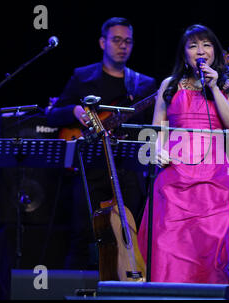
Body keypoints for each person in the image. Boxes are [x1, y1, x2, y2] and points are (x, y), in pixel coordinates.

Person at [137, 24, 229, 294]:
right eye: (193, 46)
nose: (200, 50)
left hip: (215, 178)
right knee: (168, 246)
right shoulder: (169, 85)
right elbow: (157, 129)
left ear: (216, 50)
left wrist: (214, 87)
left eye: (206, 44)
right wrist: (156, 148)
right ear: (184, 54)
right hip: (173, 176)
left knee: (215, 249)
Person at [47, 17, 157, 269]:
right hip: (89, 168)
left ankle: (125, 286)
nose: (123, 46)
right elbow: (53, 115)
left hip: (127, 171)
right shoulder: (82, 76)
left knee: (128, 234)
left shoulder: (143, 83)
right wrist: (75, 111)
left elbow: (150, 129)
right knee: (83, 233)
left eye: (128, 41)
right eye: (116, 40)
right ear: (102, 42)